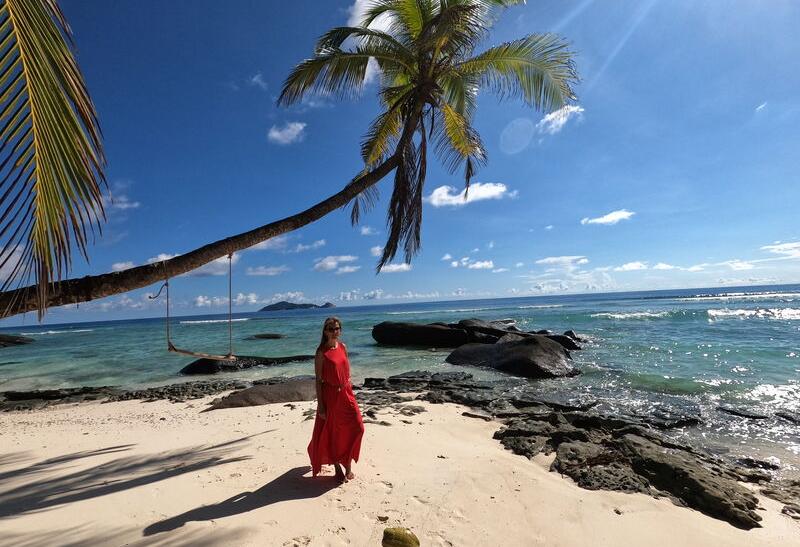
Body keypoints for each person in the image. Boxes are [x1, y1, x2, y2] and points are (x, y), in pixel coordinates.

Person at [308, 317, 365, 482]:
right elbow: (318, 380)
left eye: (337, 328)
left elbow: (346, 368)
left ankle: (347, 464)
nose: (335, 332)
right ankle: (338, 467)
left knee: (358, 428)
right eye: (331, 329)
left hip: (346, 393)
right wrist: (321, 406)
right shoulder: (321, 353)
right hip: (331, 396)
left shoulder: (343, 347)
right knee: (333, 433)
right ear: (325, 331)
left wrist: (349, 386)